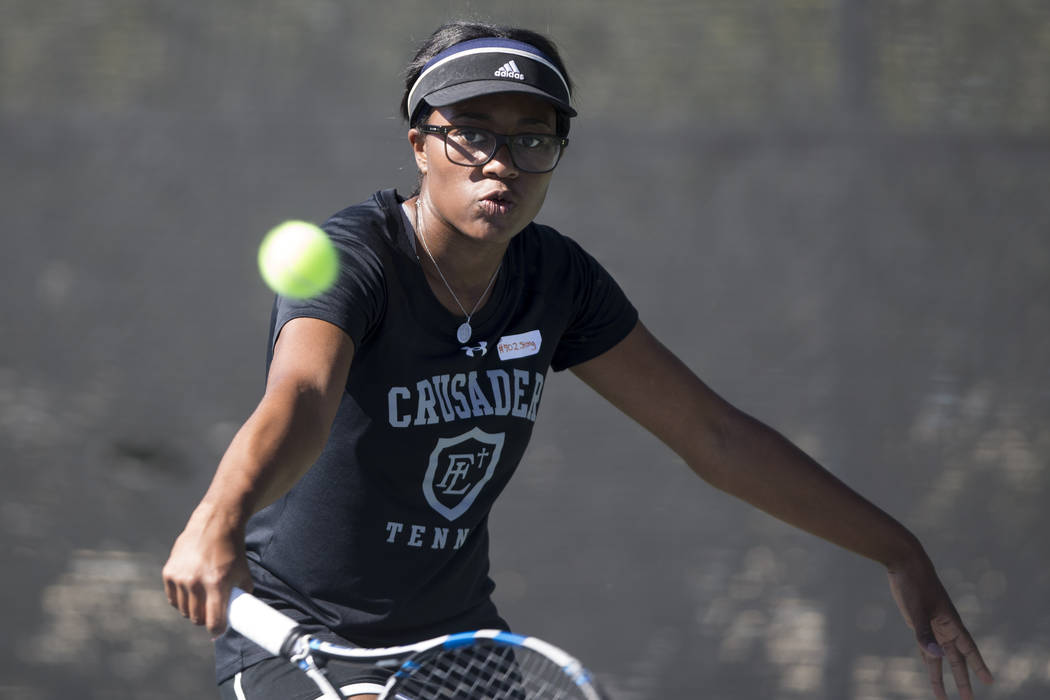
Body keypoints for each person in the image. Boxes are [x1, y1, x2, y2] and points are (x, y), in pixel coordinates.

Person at [162, 20, 995, 700]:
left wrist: (898, 550)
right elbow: (302, 397)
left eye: (534, 138)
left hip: (458, 646)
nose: (503, 160)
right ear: (420, 144)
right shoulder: (356, 257)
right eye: (473, 133)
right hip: (298, 637)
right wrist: (218, 518)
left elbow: (717, 439)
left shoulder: (556, 281)